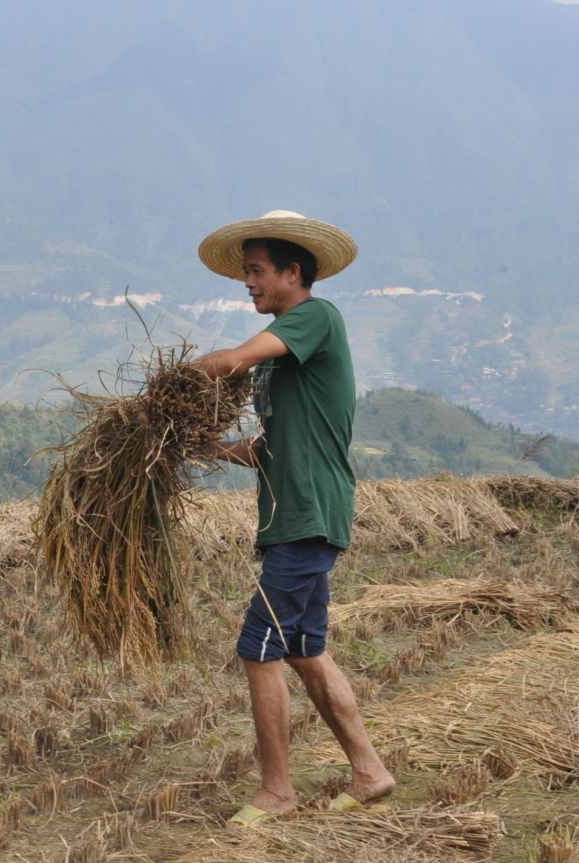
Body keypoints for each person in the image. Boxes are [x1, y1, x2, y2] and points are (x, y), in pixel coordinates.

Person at [192, 210, 395, 827]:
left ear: (293, 272)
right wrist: (203, 447)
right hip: (295, 517)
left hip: (308, 517)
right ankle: (370, 772)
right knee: (305, 647)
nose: (247, 283)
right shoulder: (283, 360)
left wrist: (180, 379)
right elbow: (268, 446)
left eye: (255, 271)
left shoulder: (314, 317)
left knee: (258, 648)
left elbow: (232, 361)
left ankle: (276, 791)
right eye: (246, 273)